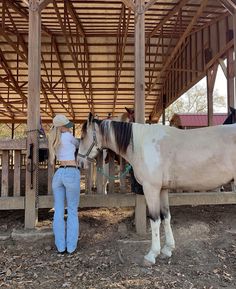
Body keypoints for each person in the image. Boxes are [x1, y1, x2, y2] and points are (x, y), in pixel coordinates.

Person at [48, 114, 80, 254]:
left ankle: (61, 247)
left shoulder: (53, 139)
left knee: (59, 211)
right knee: (72, 211)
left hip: (58, 174)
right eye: (67, 126)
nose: (68, 128)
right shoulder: (68, 137)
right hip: (71, 172)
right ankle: (71, 247)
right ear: (61, 127)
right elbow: (79, 145)